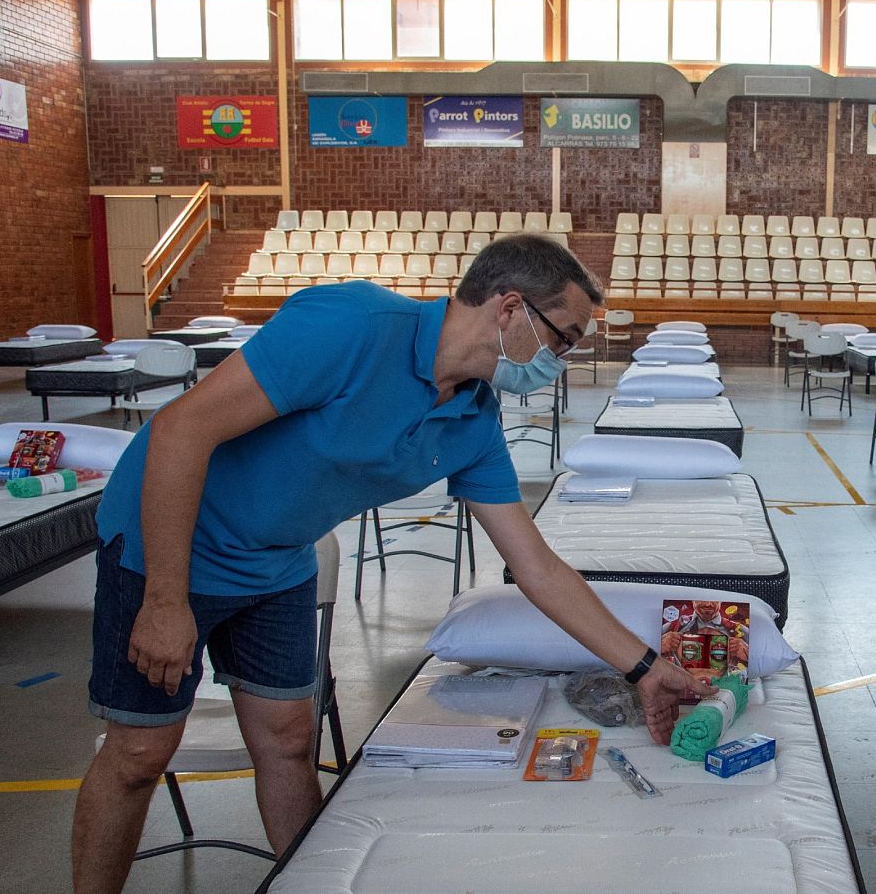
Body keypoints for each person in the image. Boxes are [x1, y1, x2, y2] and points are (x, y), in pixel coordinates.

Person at [70, 235, 712, 893]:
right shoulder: (351, 327)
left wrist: (645, 665)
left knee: (290, 740)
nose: (561, 361)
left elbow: (538, 567)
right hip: (172, 542)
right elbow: (181, 430)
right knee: (141, 753)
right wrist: (166, 599)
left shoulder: (470, 418)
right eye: (565, 339)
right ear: (511, 308)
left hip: (276, 560)